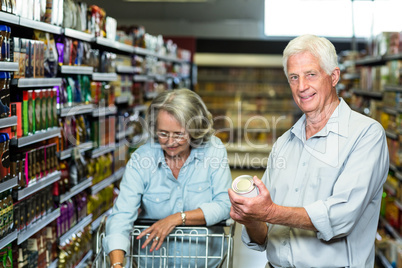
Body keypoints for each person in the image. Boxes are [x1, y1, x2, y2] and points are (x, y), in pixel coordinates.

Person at [228, 34, 389, 267]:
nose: (301, 87)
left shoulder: (366, 135)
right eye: (294, 77)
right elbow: (263, 236)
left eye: (310, 74)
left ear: (333, 77)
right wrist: (251, 215)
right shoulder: (284, 144)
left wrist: (269, 211)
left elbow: (341, 217)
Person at [104, 88, 232, 268]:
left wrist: (177, 218)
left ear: (195, 130)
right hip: (151, 263)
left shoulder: (213, 150)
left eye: (179, 134)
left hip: (203, 262)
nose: (170, 142)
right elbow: (121, 216)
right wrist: (116, 264)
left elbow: (225, 204)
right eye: (163, 133)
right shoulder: (142, 158)